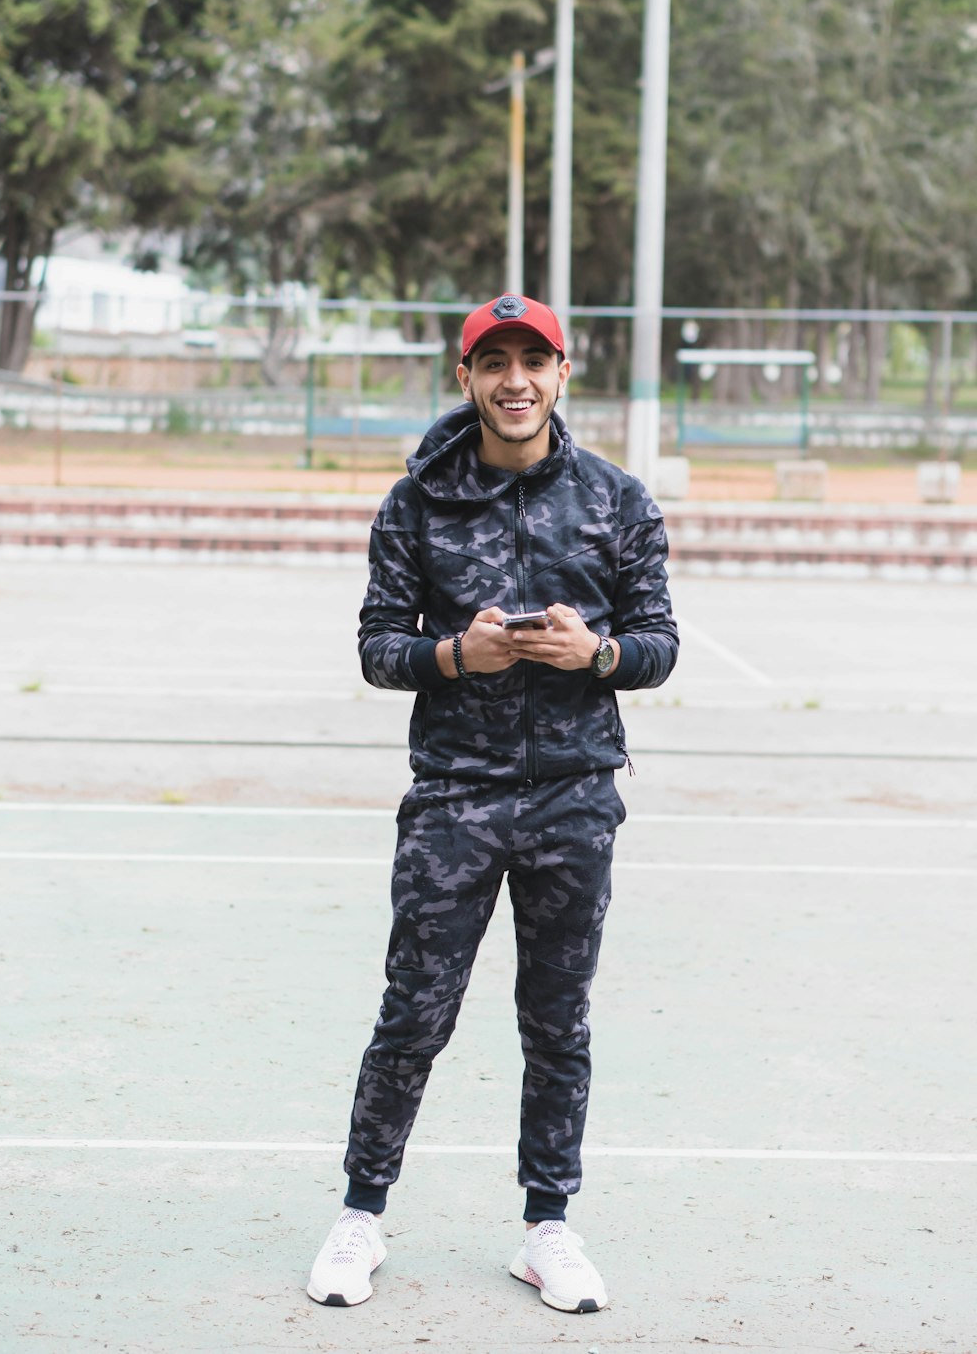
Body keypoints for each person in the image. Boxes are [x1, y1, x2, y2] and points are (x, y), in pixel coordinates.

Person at [307, 293, 679, 1314]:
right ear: (465, 378)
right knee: (411, 1015)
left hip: (572, 800)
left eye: (534, 359)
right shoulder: (414, 504)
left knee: (556, 1021)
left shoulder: (618, 500)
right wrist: (450, 655)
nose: (514, 379)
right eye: (493, 361)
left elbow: (657, 643)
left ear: (565, 375)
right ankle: (359, 1217)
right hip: (455, 799)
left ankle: (547, 1226)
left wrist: (593, 653)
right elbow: (379, 646)